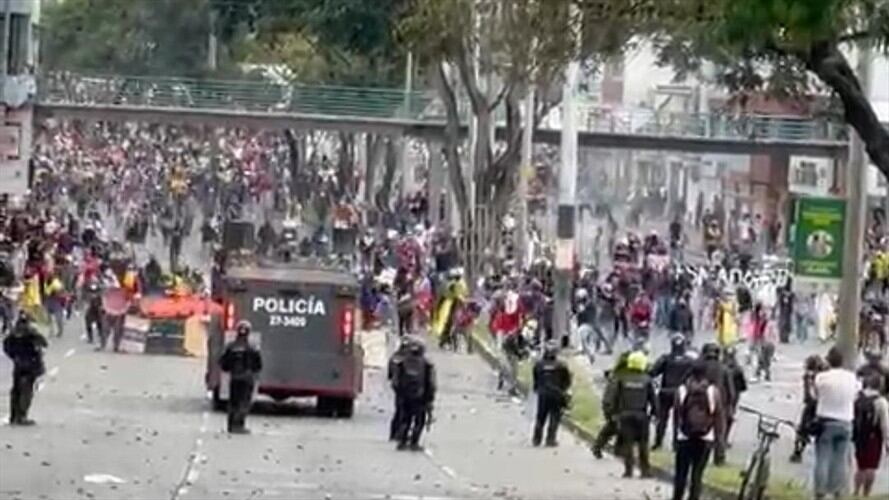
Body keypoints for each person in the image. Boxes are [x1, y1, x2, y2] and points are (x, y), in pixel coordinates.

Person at [672, 362, 726, 500]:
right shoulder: (713, 391)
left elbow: (676, 416)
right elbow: (718, 418)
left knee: (681, 473)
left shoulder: (682, 390)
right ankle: (694, 497)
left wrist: (675, 438)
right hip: (705, 437)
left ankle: (677, 497)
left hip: (684, 436)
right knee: (697, 474)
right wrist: (719, 443)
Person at [813, 347, 859, 500]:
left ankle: (820, 491)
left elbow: (815, 395)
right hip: (845, 421)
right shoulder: (851, 378)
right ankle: (837, 490)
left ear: (828, 361)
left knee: (823, 458)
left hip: (825, 421)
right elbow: (856, 394)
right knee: (840, 459)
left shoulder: (821, 378)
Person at [607, 350, 657, 478]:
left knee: (627, 443)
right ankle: (645, 470)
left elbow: (615, 397)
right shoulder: (647, 380)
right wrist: (655, 413)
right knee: (643, 444)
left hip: (625, 415)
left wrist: (613, 413)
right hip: (641, 415)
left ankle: (628, 470)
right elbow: (653, 399)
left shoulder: (622, 379)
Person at [650, 334, 696, 450]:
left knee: (662, 419)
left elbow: (653, 372)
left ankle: (658, 442)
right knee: (679, 420)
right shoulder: (690, 361)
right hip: (680, 393)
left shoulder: (666, 358)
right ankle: (676, 444)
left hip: (665, 391)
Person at [2, 312, 48, 426]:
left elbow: (6, 346)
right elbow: (44, 343)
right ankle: (22, 416)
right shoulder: (31, 333)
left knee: (16, 390)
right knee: (26, 391)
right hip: (30, 365)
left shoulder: (13, 333)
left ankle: (14, 415)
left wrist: (14, 356)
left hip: (18, 364)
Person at [391, 337, 436, 451]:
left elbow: (395, 382)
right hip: (420, 398)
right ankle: (414, 442)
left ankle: (402, 441)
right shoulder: (427, 364)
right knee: (419, 421)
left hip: (405, 397)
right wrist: (430, 399)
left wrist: (400, 394)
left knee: (405, 419)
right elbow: (431, 383)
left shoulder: (402, 363)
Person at [219, 321, 263, 434]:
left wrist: (231, 369)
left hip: (234, 378)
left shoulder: (230, 346)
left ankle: (231, 425)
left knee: (233, 402)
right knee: (244, 402)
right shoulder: (252, 348)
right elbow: (258, 365)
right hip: (247, 378)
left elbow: (223, 364)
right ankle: (239, 425)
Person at [852, 374, 889, 497]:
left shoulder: (858, 397)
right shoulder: (881, 401)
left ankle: (856, 491)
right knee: (871, 467)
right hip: (873, 437)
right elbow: (885, 424)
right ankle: (866, 494)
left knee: (860, 466)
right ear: (881, 385)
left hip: (859, 436)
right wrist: (887, 442)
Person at [698, 343, 734, 464]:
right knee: (719, 433)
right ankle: (719, 458)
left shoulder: (699, 367)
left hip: (701, 404)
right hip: (720, 405)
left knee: (699, 430)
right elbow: (731, 391)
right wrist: (729, 406)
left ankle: (699, 456)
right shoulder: (724, 369)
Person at [532, 342, 572, 447]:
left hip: (543, 394)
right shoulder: (561, 365)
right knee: (555, 416)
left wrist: (537, 388)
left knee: (540, 416)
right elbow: (567, 380)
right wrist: (563, 390)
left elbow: (535, 378)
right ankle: (550, 439)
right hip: (556, 393)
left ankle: (536, 439)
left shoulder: (539, 364)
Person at [792, 354, 829, 462]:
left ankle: (798, 451)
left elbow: (808, 394)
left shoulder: (809, 376)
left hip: (812, 406)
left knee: (802, 430)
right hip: (823, 406)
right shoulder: (825, 375)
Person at [593, 352, 630, 458]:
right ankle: (598, 447)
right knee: (613, 427)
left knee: (616, 427)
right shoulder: (620, 376)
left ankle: (615, 449)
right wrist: (612, 410)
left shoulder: (618, 374)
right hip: (613, 406)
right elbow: (613, 394)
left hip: (613, 404)